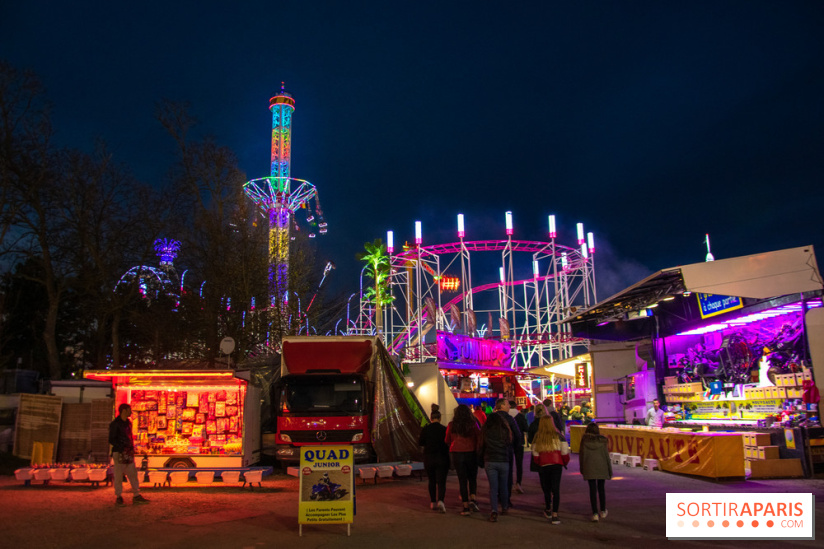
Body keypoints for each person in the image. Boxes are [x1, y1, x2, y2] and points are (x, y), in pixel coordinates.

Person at [108, 403, 149, 506]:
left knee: (132, 473)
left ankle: (136, 494)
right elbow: (111, 439)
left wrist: (130, 448)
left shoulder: (128, 423)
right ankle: (119, 496)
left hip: (128, 452)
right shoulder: (115, 424)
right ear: (124, 410)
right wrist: (122, 447)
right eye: (129, 410)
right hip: (119, 452)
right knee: (118, 475)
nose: (131, 412)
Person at [531, 415, 569, 524]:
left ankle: (548, 508)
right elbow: (565, 453)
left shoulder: (538, 437)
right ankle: (555, 514)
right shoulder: (559, 436)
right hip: (556, 465)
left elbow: (535, 455)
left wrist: (539, 463)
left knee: (546, 488)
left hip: (543, 465)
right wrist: (564, 462)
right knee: (556, 489)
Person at [445, 404, 481, 515]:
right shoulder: (473, 424)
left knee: (462, 480)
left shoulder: (452, 425)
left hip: (457, 453)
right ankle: (473, 499)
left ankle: (465, 507)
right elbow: (479, 437)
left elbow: (447, 440)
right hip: (471, 453)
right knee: (472, 477)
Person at [478, 411, 512, 522]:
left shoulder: (485, 431)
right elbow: (509, 443)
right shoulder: (505, 431)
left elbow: (481, 446)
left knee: (493, 487)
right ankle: (505, 507)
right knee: (504, 485)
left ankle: (494, 511)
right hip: (503, 460)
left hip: (490, 460)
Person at [579, 423, 612, 522]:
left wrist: (582, 468)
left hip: (590, 466)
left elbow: (582, 455)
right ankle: (603, 510)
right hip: (601, 466)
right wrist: (609, 469)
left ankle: (595, 513)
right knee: (601, 488)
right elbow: (606, 456)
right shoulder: (603, 441)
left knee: (592, 490)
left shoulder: (584, 441)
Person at [418, 409, 449, 513]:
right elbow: (448, 442)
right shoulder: (444, 429)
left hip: (429, 458)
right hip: (442, 458)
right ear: (440, 418)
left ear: (431, 418)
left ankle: (432, 502)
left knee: (431, 480)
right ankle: (441, 500)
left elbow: (420, 442)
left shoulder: (426, 429)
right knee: (441, 481)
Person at [493, 398, 521, 507]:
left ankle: (497, 498)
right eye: (508, 404)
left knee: (495, 477)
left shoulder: (491, 418)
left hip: (493, 451)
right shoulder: (509, 419)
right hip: (506, 451)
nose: (509, 406)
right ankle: (506, 499)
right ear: (502, 406)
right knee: (507, 476)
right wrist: (514, 447)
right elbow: (517, 435)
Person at [513, 405, 528, 493]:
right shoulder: (520, 416)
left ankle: (509, 483)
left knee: (508, 464)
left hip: (508, 443)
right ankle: (518, 482)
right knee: (519, 464)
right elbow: (526, 428)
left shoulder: (503, 416)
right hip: (519, 442)